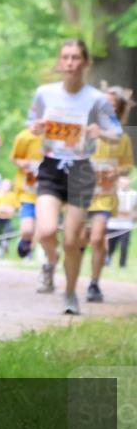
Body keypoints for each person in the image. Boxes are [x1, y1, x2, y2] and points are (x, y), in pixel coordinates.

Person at [28, 38, 121, 315]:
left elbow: (116, 133)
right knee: (45, 231)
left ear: (85, 62)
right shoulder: (44, 93)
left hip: (81, 170)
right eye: (65, 57)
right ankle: (50, 260)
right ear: (59, 61)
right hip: (51, 166)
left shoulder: (96, 99)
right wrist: (36, 127)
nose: (69, 62)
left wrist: (99, 132)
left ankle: (69, 293)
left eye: (75, 57)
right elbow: (31, 123)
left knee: (72, 240)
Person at [85, 87, 133, 301]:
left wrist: (117, 171)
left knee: (97, 238)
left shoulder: (122, 138)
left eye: (112, 105)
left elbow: (127, 165)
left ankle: (94, 284)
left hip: (104, 193)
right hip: (80, 193)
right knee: (76, 240)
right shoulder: (84, 129)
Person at [10, 126, 43, 258]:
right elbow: (14, 157)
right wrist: (21, 163)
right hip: (28, 192)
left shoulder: (56, 139)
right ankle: (25, 240)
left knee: (43, 231)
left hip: (48, 193)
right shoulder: (25, 136)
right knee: (27, 229)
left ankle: (40, 253)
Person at [107, 174, 135, 268]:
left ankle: (122, 265)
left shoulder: (134, 194)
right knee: (111, 246)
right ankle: (107, 260)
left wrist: (132, 214)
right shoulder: (113, 193)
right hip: (113, 225)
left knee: (124, 246)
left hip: (126, 226)